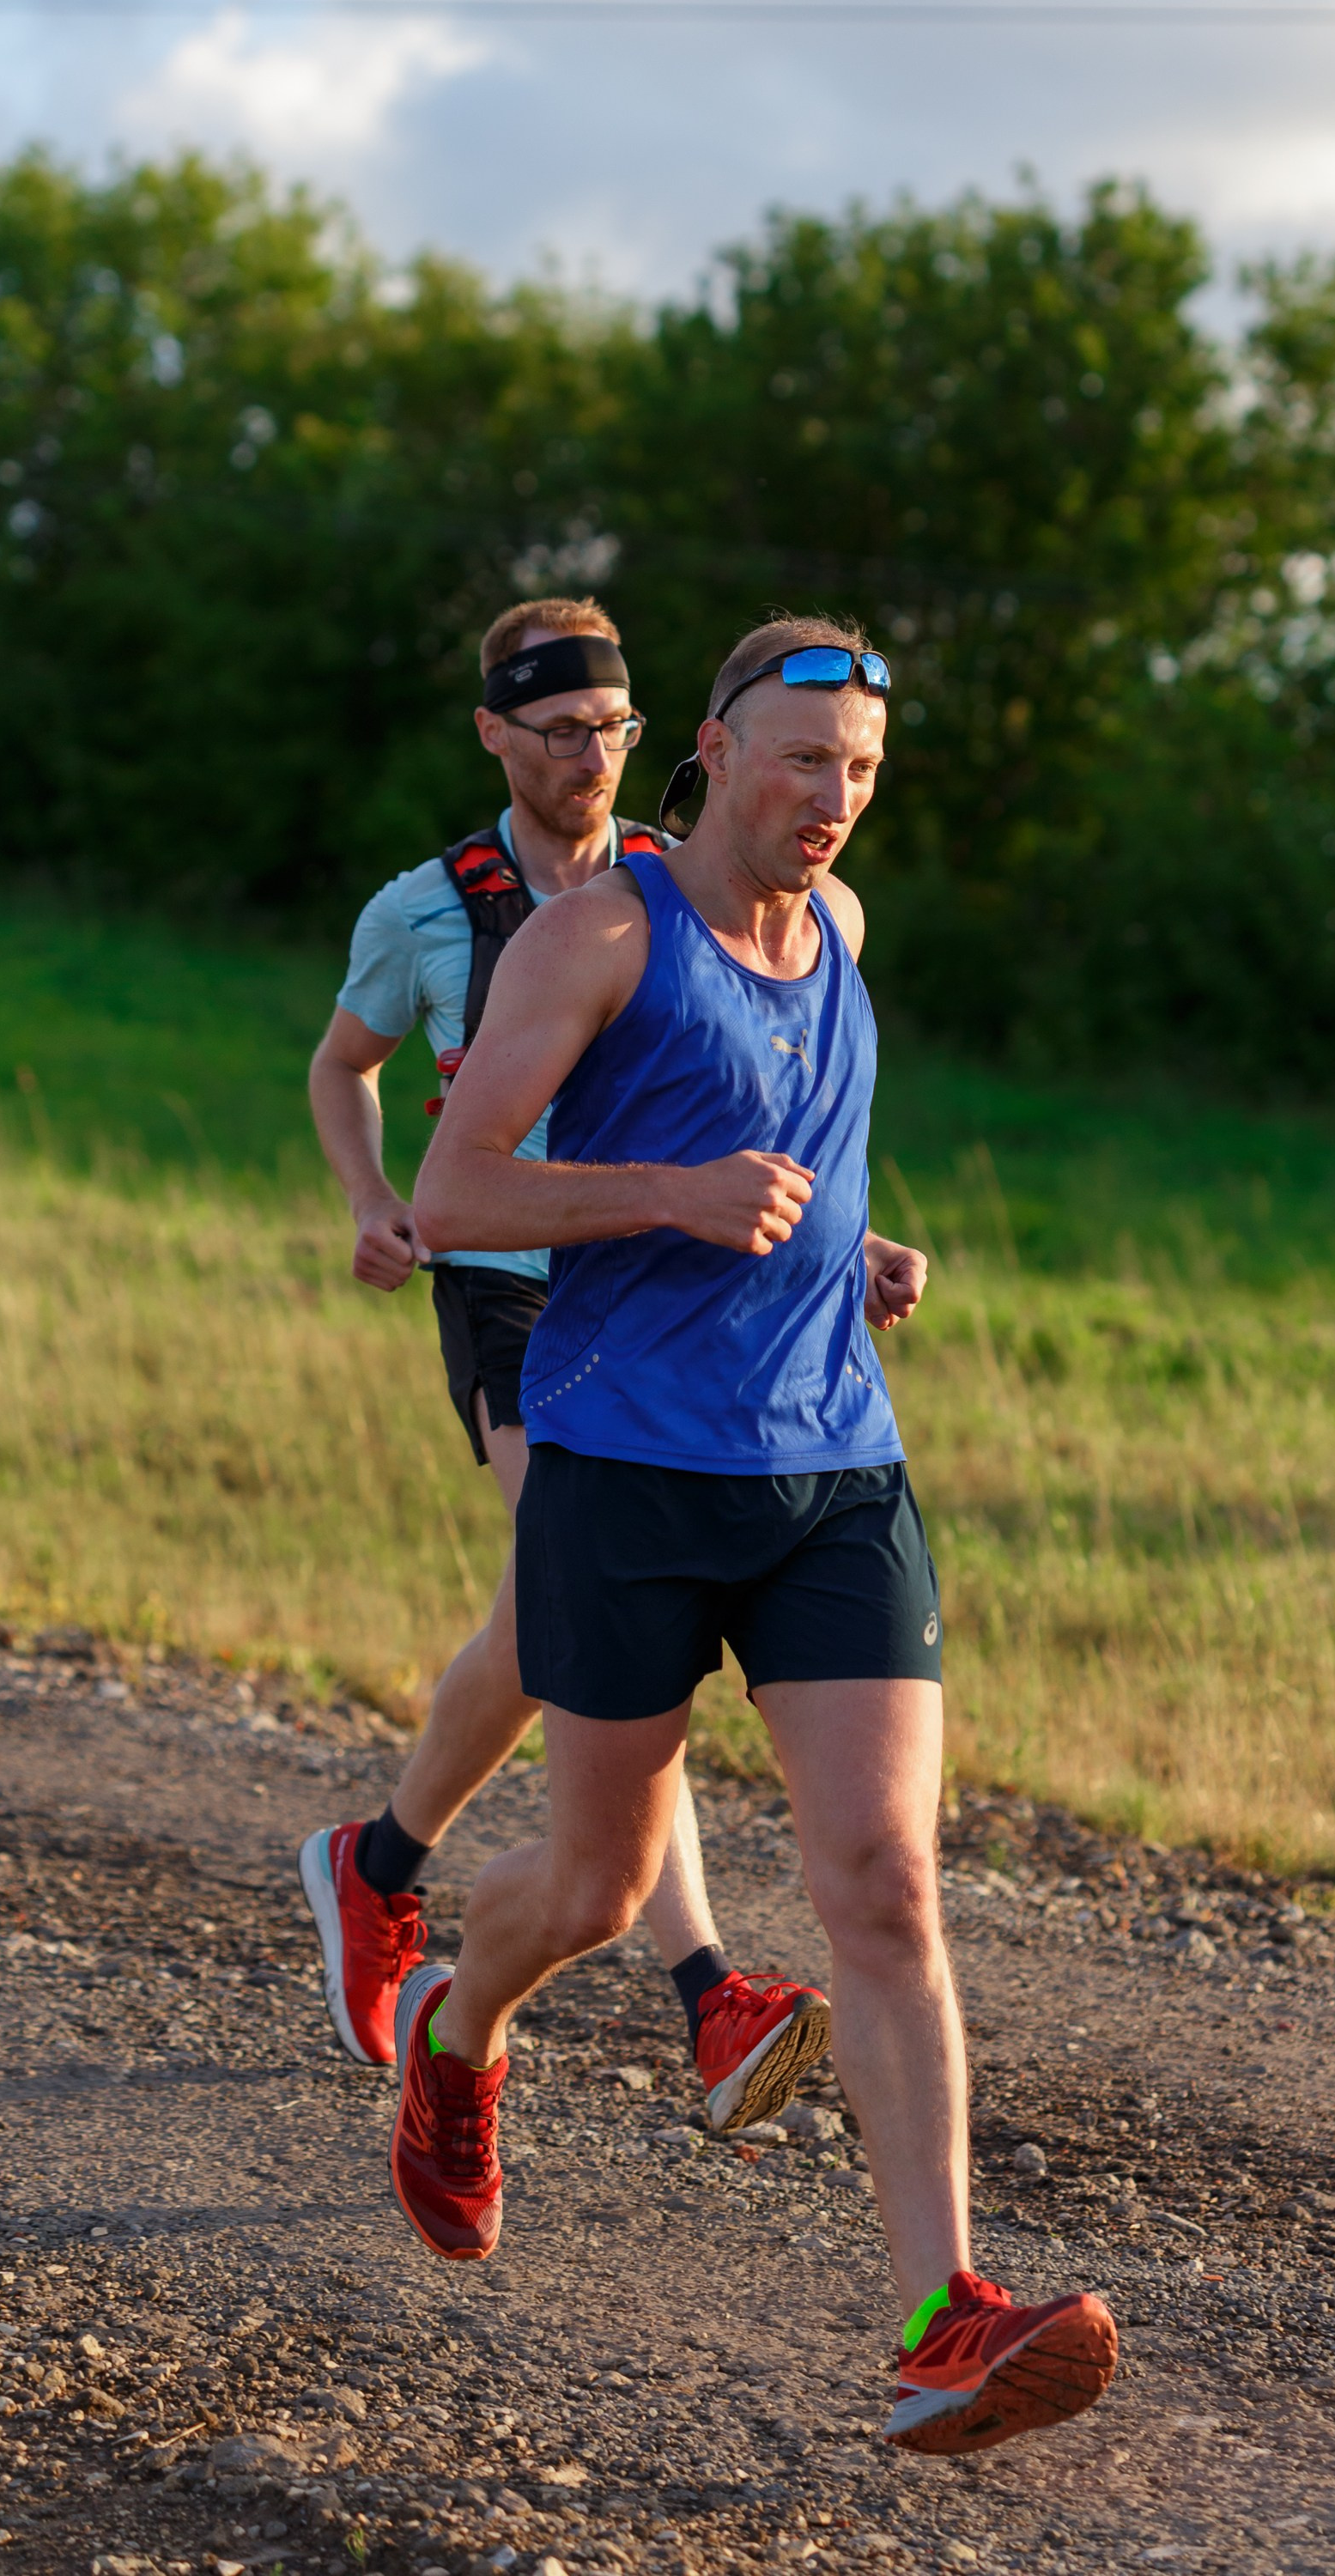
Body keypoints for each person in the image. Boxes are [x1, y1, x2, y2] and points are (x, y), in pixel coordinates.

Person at [392, 614, 1119, 2457]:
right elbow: (455, 1183)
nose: (832, 800)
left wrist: (840, 1250)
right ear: (710, 752)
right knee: (591, 1893)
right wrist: (674, 1197)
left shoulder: (846, 937)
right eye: (802, 760)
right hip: (628, 1472)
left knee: (881, 1883)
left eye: (861, 771)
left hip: (829, 1477)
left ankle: (942, 2317)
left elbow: (801, 1145)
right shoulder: (600, 935)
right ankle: (453, 2035)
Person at [298, 594, 830, 2136]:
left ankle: (379, 1863)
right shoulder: (429, 911)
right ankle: (712, 1992)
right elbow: (346, 1068)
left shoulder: (684, 892)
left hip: (656, 1287)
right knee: (586, 1601)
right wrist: (372, 1200)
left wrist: (828, 1241)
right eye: (558, 732)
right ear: (494, 734)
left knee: (554, 1621)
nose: (592, 759)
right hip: (510, 1288)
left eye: (614, 730)